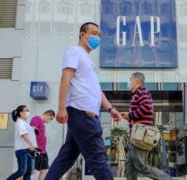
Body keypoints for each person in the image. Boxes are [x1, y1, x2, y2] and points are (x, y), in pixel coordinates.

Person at [45, 22, 122, 180]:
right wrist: (61, 108)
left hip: (83, 115)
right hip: (82, 113)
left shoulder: (88, 61)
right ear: (82, 34)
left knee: (66, 158)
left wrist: (110, 109)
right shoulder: (75, 52)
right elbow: (65, 78)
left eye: (99, 35)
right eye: (94, 33)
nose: (97, 37)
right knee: (98, 158)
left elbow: (96, 90)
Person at [121, 72, 172, 180]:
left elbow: (146, 107)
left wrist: (130, 115)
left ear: (136, 80)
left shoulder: (142, 91)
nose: (129, 82)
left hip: (141, 136)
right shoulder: (137, 94)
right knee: (130, 167)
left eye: (130, 79)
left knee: (141, 166)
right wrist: (129, 116)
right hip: (136, 137)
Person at [7, 105, 37, 180]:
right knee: (21, 171)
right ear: (20, 113)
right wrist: (31, 145)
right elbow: (23, 134)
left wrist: (32, 128)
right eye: (26, 110)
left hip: (27, 149)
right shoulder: (20, 122)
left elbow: (26, 131)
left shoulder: (24, 122)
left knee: (28, 171)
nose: (28, 112)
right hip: (22, 150)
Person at [30, 110, 55, 180]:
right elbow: (32, 130)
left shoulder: (42, 124)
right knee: (32, 171)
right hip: (36, 150)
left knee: (44, 170)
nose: (50, 120)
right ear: (48, 115)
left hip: (43, 151)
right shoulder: (37, 119)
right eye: (51, 118)